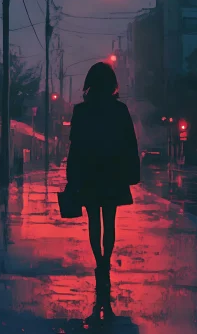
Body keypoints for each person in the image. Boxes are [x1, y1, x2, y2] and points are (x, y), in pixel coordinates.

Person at [65, 62, 140, 297]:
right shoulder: (120, 110)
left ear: (90, 84)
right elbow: (130, 144)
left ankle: (98, 262)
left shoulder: (81, 111)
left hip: (88, 173)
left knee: (94, 222)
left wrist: (71, 177)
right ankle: (106, 260)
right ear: (112, 84)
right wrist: (131, 172)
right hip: (112, 173)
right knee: (110, 220)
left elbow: (75, 147)